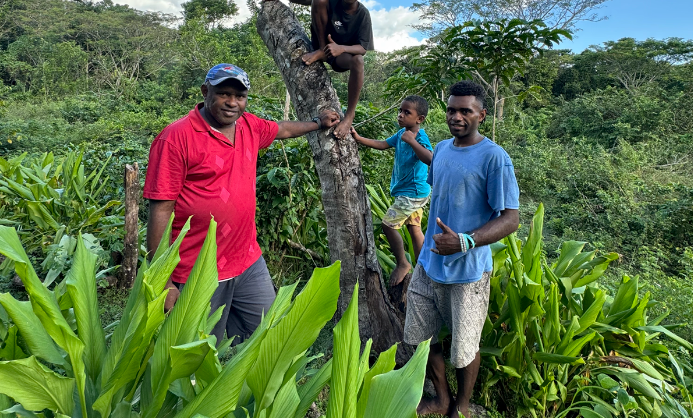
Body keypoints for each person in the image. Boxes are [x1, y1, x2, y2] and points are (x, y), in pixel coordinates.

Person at [143, 63, 340, 345]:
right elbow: (160, 209)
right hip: (196, 268)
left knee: (267, 337)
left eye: (240, 96)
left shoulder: (249, 126)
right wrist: (163, 279)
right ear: (205, 91)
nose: (232, 103)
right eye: (224, 94)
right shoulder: (176, 138)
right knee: (195, 354)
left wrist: (318, 123)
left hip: (247, 259)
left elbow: (281, 129)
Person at [403, 81, 520, 418]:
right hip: (428, 265)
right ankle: (440, 398)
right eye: (452, 109)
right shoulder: (441, 149)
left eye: (465, 111)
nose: (456, 116)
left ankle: (463, 406)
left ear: (482, 115)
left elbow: (510, 218)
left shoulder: (495, 158)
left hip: (467, 271)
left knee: (465, 347)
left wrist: (465, 240)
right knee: (422, 336)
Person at [262, 0, 373, 139]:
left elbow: (362, 48)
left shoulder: (363, 14)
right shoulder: (333, 0)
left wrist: (340, 48)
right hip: (321, 45)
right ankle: (321, 51)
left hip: (340, 57)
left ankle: (349, 115)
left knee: (358, 60)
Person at [351, 95, 433, 287]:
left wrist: (412, 141)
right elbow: (382, 144)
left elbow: (430, 158)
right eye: (400, 111)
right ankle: (423, 267)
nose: (401, 115)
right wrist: (358, 138)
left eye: (407, 113)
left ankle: (403, 263)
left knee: (388, 225)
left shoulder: (419, 137)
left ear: (419, 119)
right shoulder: (400, 134)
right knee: (414, 228)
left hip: (412, 192)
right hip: (411, 192)